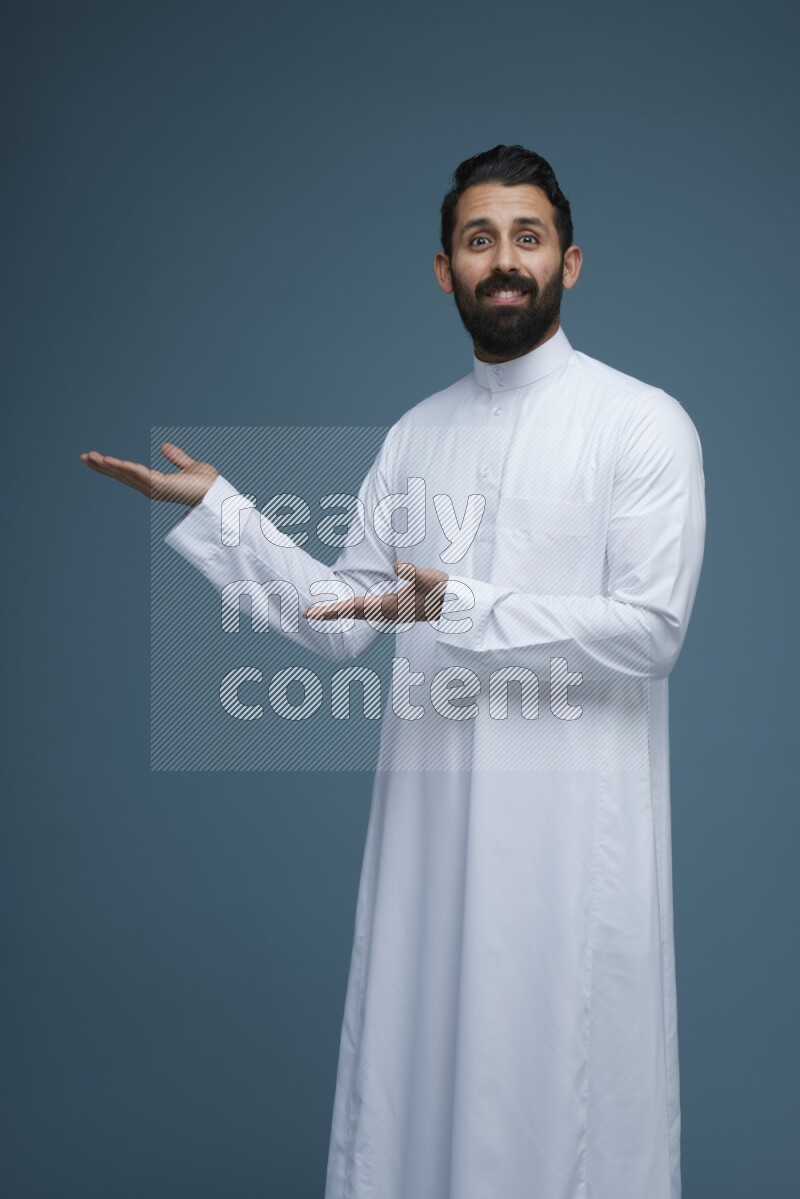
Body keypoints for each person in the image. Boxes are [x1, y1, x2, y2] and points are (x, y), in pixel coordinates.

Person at [81, 144, 706, 1199]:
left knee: (565, 1104)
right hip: (430, 843)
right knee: (417, 1092)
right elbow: (339, 620)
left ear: (570, 261)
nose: (501, 260)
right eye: (477, 240)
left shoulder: (639, 423)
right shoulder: (415, 435)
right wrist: (220, 513)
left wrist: (457, 605)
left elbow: (649, 631)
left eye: (525, 237)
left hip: (568, 853)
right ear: (441, 269)